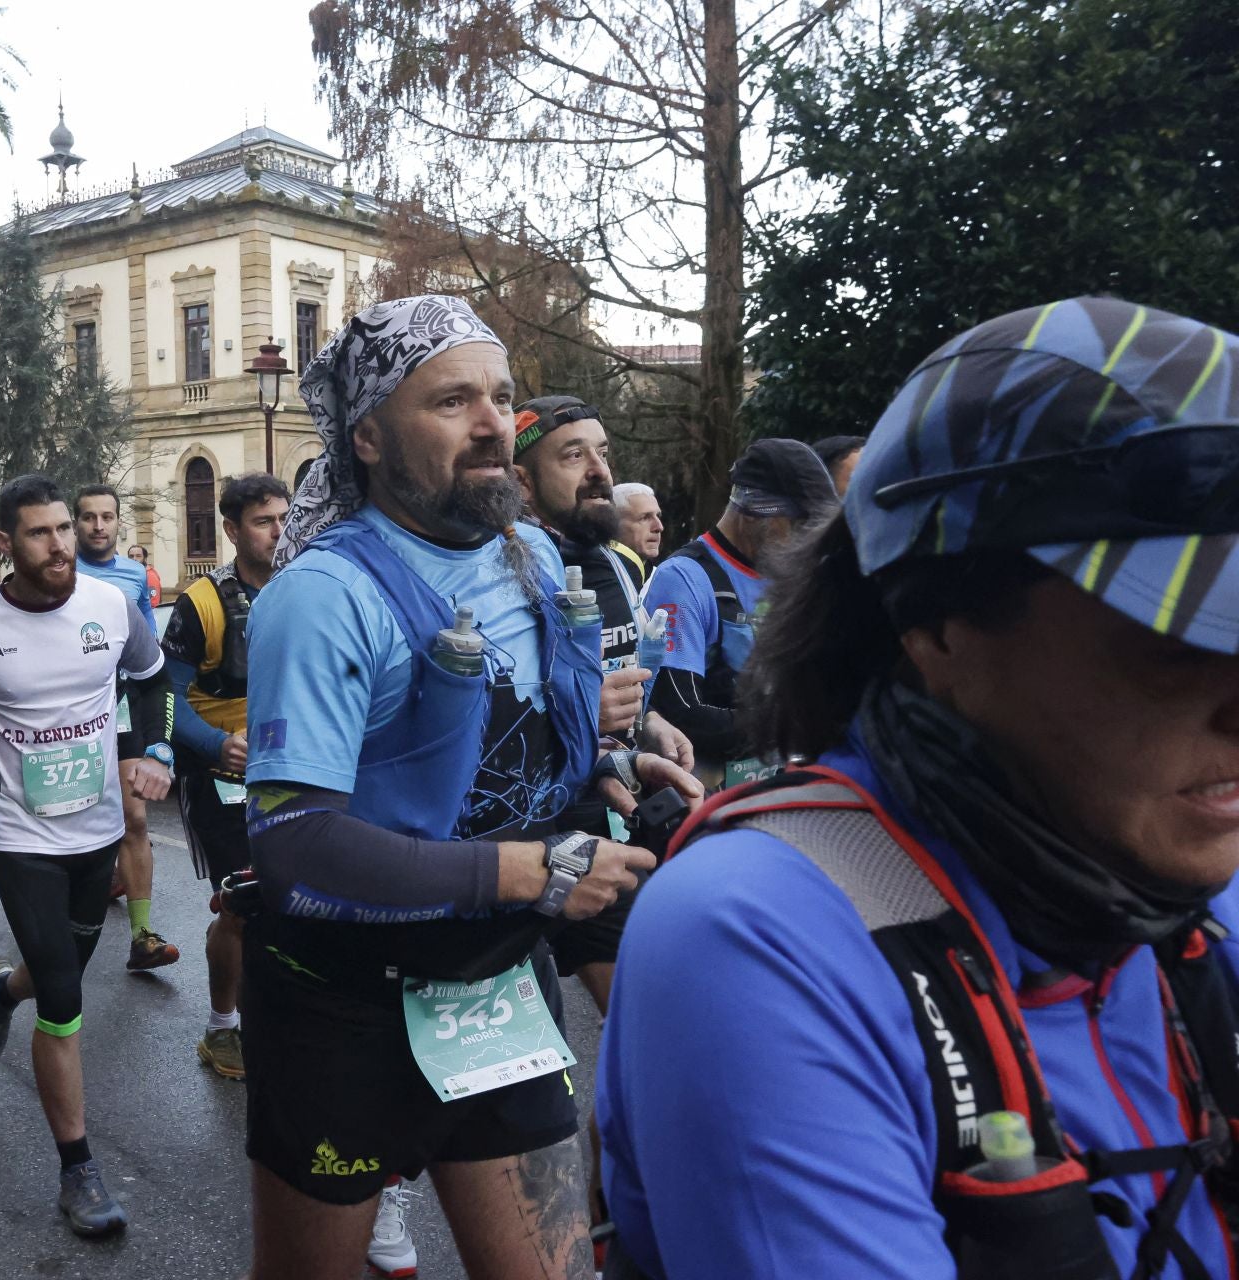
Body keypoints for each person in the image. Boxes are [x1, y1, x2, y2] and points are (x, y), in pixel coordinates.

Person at [598, 297, 1239, 1279]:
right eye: (1178, 633)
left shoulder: (1202, 877)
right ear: (935, 618)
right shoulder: (755, 933)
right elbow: (672, 694)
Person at [239, 294, 698, 1279]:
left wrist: (611, 763)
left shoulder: (529, 556)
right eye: (452, 400)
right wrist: (532, 870)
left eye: (500, 395)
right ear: (368, 435)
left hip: (493, 985)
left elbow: (522, 754)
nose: (494, 422)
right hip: (342, 1008)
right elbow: (293, 849)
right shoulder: (323, 599)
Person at [0, 474, 175, 1238]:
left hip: (99, 830)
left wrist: (151, 748)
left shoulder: (111, 605)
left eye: (67, 529)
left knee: (55, 972)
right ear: (5, 544)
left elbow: (151, 676)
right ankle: (79, 1170)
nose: (62, 545)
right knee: (68, 1001)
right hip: (22, 840)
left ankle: (6, 990)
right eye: (41, 534)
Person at [511, 398, 695, 1014]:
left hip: (596, 814)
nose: (598, 471)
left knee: (642, 1038)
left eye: (603, 453)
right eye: (573, 455)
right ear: (521, 481)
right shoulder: (499, 571)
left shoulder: (616, 566)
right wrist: (575, 712)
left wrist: (648, 723)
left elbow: (618, 683)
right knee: (530, 1081)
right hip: (511, 835)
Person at [161, 472, 289, 1082]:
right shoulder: (201, 603)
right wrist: (217, 743)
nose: (278, 532)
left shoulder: (303, 589)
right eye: (264, 522)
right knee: (244, 898)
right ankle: (222, 1028)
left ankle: (288, 1013)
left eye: (285, 518)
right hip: (219, 773)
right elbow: (161, 701)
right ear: (233, 531)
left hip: (293, 768)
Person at [642, 437, 835, 788]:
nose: (809, 540)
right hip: (709, 792)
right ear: (755, 511)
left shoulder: (788, 573)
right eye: (800, 524)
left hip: (779, 783)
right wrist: (802, 724)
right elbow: (681, 711)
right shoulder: (684, 579)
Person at [72, 484, 178, 971]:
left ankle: (142, 935)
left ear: (119, 522)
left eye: (107, 517)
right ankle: (58, 921)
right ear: (76, 524)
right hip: (69, 716)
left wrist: (158, 737)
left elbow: (147, 658)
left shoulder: (135, 575)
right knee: (74, 818)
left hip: (121, 708)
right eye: (89, 517)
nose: (98, 526)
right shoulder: (62, 570)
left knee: (134, 819)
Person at [610, 482, 664, 568]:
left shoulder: (662, 578)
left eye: (658, 516)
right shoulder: (588, 577)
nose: (659, 527)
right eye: (645, 518)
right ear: (613, 524)